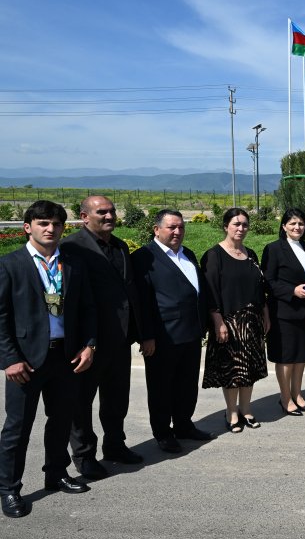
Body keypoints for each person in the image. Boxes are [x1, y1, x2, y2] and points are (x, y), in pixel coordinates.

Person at [0, 201, 95, 519]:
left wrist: (89, 345)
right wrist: (9, 359)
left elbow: (87, 309)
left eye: (56, 223)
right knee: (17, 428)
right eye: (43, 223)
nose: (50, 229)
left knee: (61, 421)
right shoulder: (10, 265)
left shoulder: (72, 265)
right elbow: (1, 318)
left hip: (65, 356)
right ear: (27, 227)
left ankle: (55, 473)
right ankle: (9, 488)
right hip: (26, 361)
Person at [60, 195, 143, 479]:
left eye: (112, 211)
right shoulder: (71, 247)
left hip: (119, 339)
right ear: (84, 217)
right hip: (87, 343)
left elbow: (129, 291)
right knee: (81, 402)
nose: (109, 216)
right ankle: (84, 456)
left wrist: (139, 331)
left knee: (117, 399)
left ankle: (115, 445)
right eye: (102, 212)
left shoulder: (120, 246)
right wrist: (86, 341)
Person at [134, 209, 214, 453]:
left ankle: (183, 425)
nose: (177, 231)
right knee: (161, 387)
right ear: (156, 229)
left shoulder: (187, 253)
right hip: (162, 336)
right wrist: (146, 336)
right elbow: (141, 301)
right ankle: (162, 432)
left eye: (181, 227)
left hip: (191, 332)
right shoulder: (143, 257)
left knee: (187, 385)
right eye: (171, 227)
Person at [200, 208, 269, 434]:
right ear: (225, 226)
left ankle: (246, 409)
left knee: (248, 368)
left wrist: (265, 313)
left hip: (252, 321)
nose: (241, 228)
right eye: (236, 224)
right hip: (228, 323)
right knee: (232, 369)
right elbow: (210, 292)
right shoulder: (214, 255)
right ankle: (231, 412)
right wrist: (218, 321)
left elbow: (259, 287)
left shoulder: (251, 254)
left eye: (245, 224)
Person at [262, 208, 305, 416]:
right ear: (284, 226)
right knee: (286, 357)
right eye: (293, 223)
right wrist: (292, 291)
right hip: (283, 311)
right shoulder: (274, 249)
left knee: (301, 356)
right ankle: (285, 397)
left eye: (301, 223)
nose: (297, 227)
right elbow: (268, 282)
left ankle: (297, 393)